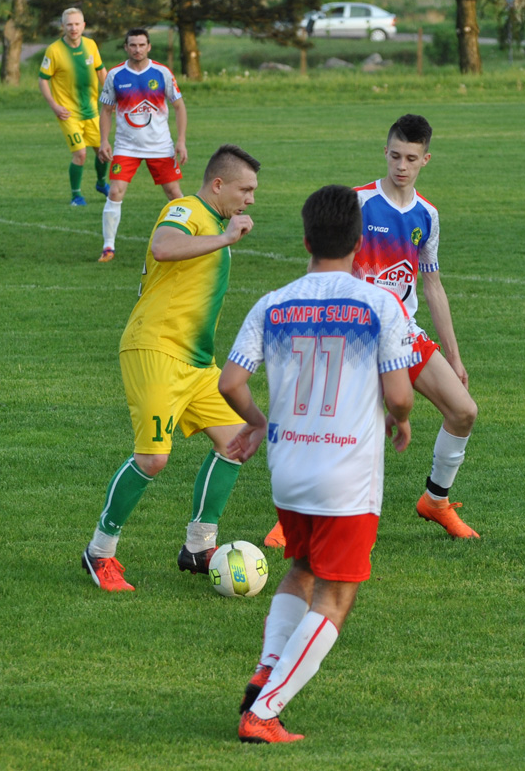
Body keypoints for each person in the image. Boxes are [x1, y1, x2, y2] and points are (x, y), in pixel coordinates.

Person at [218, 184, 415, 743]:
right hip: (345, 476)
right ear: (359, 243)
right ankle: (265, 711)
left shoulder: (273, 303)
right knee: (335, 593)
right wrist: (400, 419)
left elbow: (230, 383)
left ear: (306, 240)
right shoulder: (378, 305)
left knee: (301, 568)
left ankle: (267, 669)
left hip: (288, 469)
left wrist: (259, 422)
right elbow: (400, 395)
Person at [263, 113, 480, 548]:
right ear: (385, 152)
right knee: (330, 424)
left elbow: (432, 285)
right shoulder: (358, 203)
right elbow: (322, 265)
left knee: (463, 411)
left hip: (403, 333)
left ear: (425, 160)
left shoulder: (428, 215)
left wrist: (454, 356)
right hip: (353, 334)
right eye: (395, 156)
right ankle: (293, 518)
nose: (401, 165)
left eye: (411, 158)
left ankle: (436, 501)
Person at [80, 145, 262, 592]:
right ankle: (99, 552)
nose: (251, 199)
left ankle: (199, 546)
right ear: (218, 184)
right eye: (245, 189)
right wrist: (225, 239)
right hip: (156, 348)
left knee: (236, 442)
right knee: (153, 458)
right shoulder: (186, 209)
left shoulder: (214, 223)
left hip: (197, 361)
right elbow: (162, 247)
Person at [94, 28, 188, 263]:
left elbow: (179, 107)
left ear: (149, 47)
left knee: (174, 194)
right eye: (133, 45)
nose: (137, 49)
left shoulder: (162, 73)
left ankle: (189, 240)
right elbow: (106, 110)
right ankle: (108, 247)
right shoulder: (115, 75)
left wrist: (181, 141)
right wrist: (104, 140)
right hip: (126, 147)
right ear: (126, 47)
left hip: (160, 146)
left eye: (142, 45)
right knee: (115, 191)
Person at [38, 7, 110, 207]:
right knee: (80, 154)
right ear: (63, 26)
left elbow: (101, 71)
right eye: (69, 24)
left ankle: (101, 183)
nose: (73, 28)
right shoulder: (54, 50)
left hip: (92, 111)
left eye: (77, 24)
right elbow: (43, 80)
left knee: (103, 152)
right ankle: (76, 196)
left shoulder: (90, 45)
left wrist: (110, 96)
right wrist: (54, 105)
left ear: (83, 25)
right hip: (68, 113)